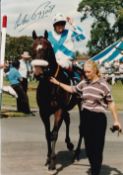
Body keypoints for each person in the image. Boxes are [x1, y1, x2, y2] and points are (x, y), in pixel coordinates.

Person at [50, 60, 122, 175]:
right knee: (89, 149)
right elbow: (72, 89)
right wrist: (58, 83)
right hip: (86, 117)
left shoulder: (103, 85)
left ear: (95, 71)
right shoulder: (83, 83)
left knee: (97, 148)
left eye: (88, 72)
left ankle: (95, 171)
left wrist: (116, 121)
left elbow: (111, 103)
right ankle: (94, 167)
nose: (86, 74)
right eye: (85, 72)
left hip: (98, 118)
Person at [48, 13, 85, 81]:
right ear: (54, 25)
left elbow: (82, 36)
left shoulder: (70, 33)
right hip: (52, 64)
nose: (61, 26)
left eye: (62, 24)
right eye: (58, 24)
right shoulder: (48, 35)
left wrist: (73, 24)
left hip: (67, 62)